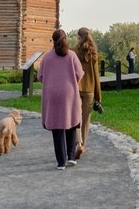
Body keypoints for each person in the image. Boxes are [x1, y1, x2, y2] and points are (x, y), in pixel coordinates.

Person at [38, 28, 83, 170]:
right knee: (71, 122)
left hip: (52, 93)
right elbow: (79, 74)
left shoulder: (47, 57)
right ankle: (71, 157)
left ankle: (61, 162)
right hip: (69, 92)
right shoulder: (71, 55)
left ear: (53, 40)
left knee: (57, 128)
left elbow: (40, 76)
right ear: (65, 39)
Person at [73, 27, 102, 160]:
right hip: (90, 89)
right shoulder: (93, 53)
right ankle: (83, 144)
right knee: (86, 120)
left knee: (76, 118)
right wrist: (98, 96)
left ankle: (77, 143)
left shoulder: (74, 52)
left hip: (76, 88)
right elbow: (96, 76)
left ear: (79, 37)